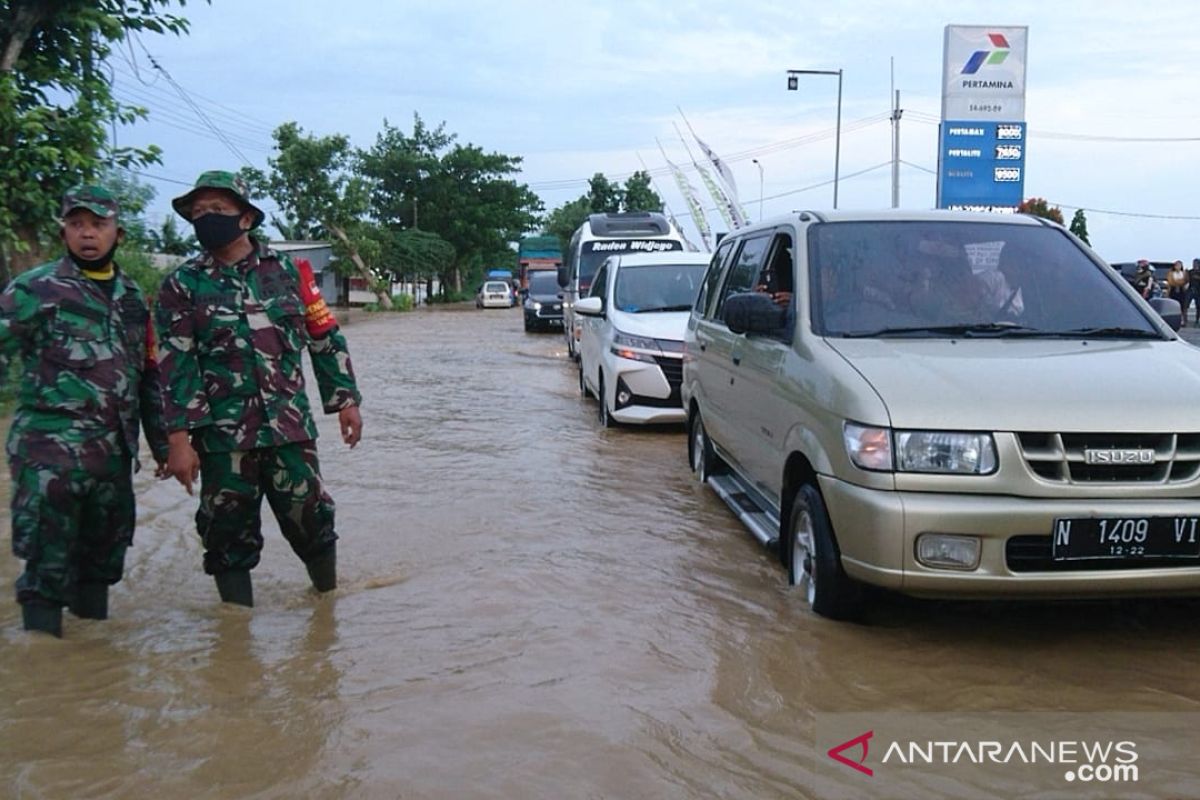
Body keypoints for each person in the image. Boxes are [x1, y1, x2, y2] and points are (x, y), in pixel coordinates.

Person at [156, 171, 363, 607]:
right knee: (225, 535)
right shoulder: (182, 285)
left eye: (218, 210)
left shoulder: (291, 271)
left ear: (246, 218)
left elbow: (323, 337)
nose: (206, 219)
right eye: (198, 213)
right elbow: (175, 366)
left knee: (313, 521)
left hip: (289, 429)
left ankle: (327, 608)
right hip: (221, 438)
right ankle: (235, 637)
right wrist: (177, 440)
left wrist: (345, 400)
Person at [0, 185, 169, 637]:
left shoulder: (133, 298)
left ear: (118, 232)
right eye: (77, 224)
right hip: (47, 461)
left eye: (98, 224)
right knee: (45, 568)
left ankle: (89, 674)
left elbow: (147, 375)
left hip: (111, 460)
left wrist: (164, 445)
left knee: (101, 564)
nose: (87, 233)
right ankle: (45, 671)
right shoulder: (34, 289)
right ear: (64, 232)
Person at [1189, 258, 1200, 327]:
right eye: (1194, 263)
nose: (1195, 265)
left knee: (1198, 306)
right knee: (1185, 305)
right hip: (1192, 290)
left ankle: (1197, 320)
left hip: (1199, 291)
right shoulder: (1190, 272)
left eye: (1196, 263)